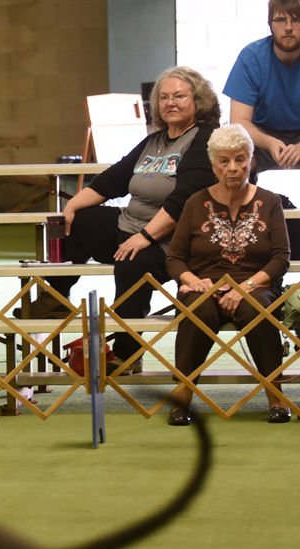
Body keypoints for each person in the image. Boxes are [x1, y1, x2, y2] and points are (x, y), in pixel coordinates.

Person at [18, 66, 219, 372]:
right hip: (131, 225)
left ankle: (128, 353)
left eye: (179, 96)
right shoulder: (155, 140)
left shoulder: (203, 140)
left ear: (198, 101)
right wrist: (72, 205)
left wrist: (146, 237)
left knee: (132, 261)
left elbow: (184, 201)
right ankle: (56, 298)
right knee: (81, 221)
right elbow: (114, 179)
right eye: (163, 97)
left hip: (172, 239)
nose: (170, 103)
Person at [166, 124, 292, 426]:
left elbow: (280, 259)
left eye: (240, 159)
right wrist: (191, 281)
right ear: (213, 164)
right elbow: (174, 258)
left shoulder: (270, 201)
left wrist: (246, 286)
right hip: (205, 285)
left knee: (256, 307)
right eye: (224, 160)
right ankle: (182, 394)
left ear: (251, 160)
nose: (233, 168)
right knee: (197, 308)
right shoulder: (195, 203)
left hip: (257, 283)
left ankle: (275, 395)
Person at [223, 1, 300, 172]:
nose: (288, 27)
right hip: (262, 137)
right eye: (280, 20)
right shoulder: (251, 58)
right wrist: (269, 143)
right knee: (233, 156)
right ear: (270, 24)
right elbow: (238, 121)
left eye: (296, 20)